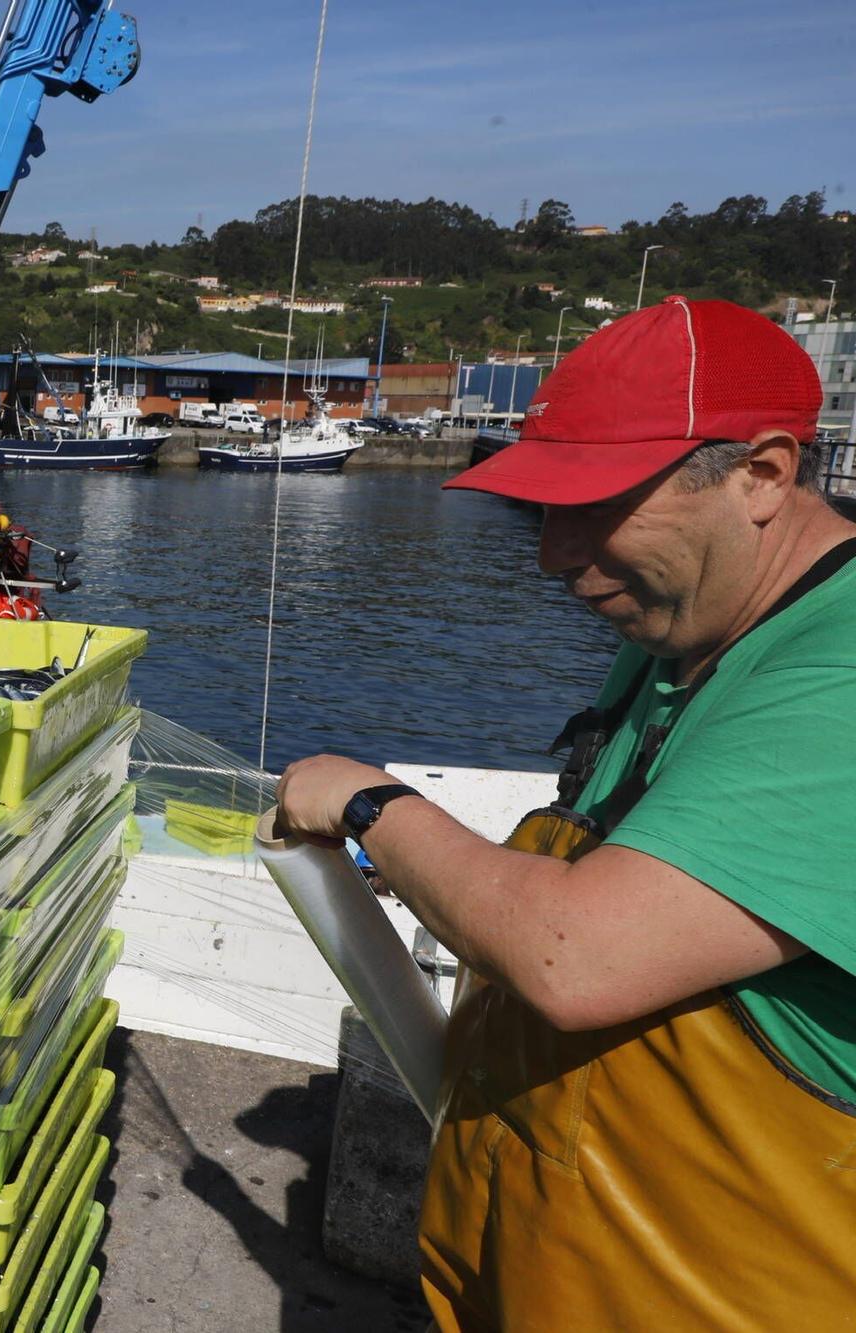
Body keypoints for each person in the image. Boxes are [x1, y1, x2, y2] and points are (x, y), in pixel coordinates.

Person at [275, 296, 856, 1329]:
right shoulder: (683, 628)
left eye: (595, 503)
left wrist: (368, 801)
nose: (550, 554)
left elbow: (575, 954)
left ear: (761, 475)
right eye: (543, 508)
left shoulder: (837, 674)